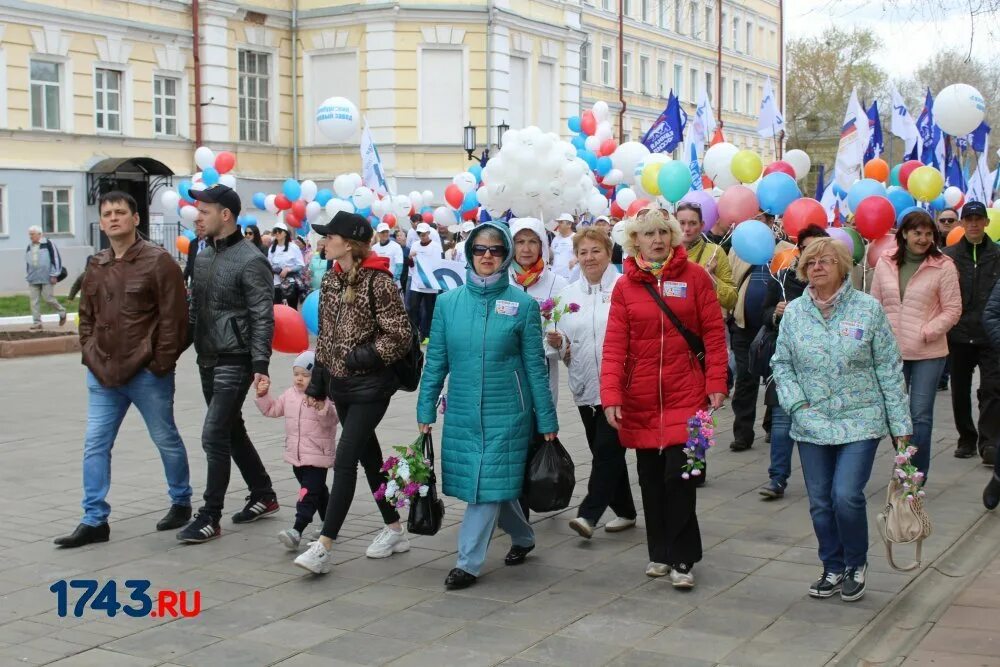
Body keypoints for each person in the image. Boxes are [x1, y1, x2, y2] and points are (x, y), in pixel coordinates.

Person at [416, 222, 559, 590]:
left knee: (485, 485)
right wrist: (425, 408)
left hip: (508, 413)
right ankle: (524, 537)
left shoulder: (523, 305)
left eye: (495, 250)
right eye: (480, 249)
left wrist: (546, 418)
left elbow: (534, 368)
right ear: (468, 253)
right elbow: (437, 361)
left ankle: (467, 562)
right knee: (494, 485)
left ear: (505, 255)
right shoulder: (448, 303)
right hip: (463, 410)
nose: (487, 256)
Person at [771, 237, 911, 602]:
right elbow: (781, 365)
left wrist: (901, 428)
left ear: (843, 266)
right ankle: (831, 566)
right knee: (820, 500)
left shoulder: (868, 310)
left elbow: (889, 368)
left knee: (845, 495)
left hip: (860, 418)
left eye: (826, 261)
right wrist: (797, 405)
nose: (818, 267)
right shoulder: (796, 313)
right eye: (811, 262)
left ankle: (855, 563)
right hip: (811, 420)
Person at [54, 191, 192, 548]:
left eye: (120, 212)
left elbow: (175, 320)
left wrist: (160, 363)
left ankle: (181, 500)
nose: (113, 218)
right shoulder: (96, 265)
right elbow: (86, 317)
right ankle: (94, 519)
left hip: (146, 373)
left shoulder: (159, 262)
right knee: (95, 444)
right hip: (102, 373)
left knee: (165, 438)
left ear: (135, 219)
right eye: (107, 213)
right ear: (101, 222)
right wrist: (89, 351)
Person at [601, 209, 728, 588]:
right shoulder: (625, 286)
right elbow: (614, 346)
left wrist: (716, 381)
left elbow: (713, 333)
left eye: (662, 232)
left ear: (673, 236)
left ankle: (683, 558)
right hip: (640, 398)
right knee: (651, 479)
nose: (656, 240)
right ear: (634, 241)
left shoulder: (696, 278)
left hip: (688, 396)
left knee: (682, 475)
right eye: (647, 234)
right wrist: (610, 394)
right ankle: (659, 552)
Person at [293, 211, 413, 575]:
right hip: (341, 385)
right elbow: (327, 338)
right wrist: (318, 382)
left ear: (348, 243)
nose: (323, 242)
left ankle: (324, 546)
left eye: (329, 237)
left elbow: (399, 335)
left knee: (344, 460)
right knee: (368, 457)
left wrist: (360, 357)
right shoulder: (332, 279)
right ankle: (394, 529)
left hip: (372, 387)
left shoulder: (380, 282)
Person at [178, 184, 278, 543]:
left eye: (204, 211)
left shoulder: (252, 260)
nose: (197, 216)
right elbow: (193, 311)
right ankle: (264, 494)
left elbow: (262, 317)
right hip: (206, 357)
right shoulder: (203, 256)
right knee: (231, 430)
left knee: (214, 433)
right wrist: (169, 352)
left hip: (234, 359)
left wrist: (260, 365)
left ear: (226, 215)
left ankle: (209, 516)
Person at [545, 228, 637, 539]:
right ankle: (625, 510)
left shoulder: (627, 287)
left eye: (595, 250)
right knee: (604, 452)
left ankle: (589, 513)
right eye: (583, 252)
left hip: (621, 387)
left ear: (609, 252)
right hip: (584, 386)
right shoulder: (567, 296)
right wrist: (558, 343)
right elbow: (557, 346)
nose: (589, 258)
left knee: (606, 449)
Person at [871, 210, 961, 479]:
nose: (922, 239)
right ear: (904, 234)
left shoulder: (943, 265)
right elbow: (874, 304)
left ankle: (916, 474)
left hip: (927, 352)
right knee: (894, 413)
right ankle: (903, 462)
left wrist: (928, 331)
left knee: (920, 415)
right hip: (891, 351)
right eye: (917, 233)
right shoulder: (885, 262)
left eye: (928, 233)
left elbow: (953, 309)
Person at [757, 225, 829, 499]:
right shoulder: (782, 278)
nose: (815, 258)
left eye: (821, 250)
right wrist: (775, 313)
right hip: (786, 360)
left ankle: (824, 480)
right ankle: (777, 479)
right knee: (781, 421)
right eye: (808, 249)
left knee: (821, 422)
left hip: (823, 365)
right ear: (798, 251)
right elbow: (762, 314)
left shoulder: (838, 282)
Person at [254, 350, 338, 550]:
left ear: (317, 376)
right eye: (296, 374)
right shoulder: (290, 395)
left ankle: (297, 530)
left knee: (307, 494)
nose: (300, 379)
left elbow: (332, 420)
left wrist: (321, 406)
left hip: (317, 456)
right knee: (318, 492)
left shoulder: (324, 397)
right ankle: (329, 525)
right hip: (296, 457)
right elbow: (272, 410)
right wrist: (263, 395)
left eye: (306, 375)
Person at [942, 201, 1000, 463]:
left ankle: (989, 442)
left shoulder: (998, 254)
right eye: (969, 219)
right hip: (959, 333)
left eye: (979, 219)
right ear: (962, 223)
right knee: (960, 390)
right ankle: (966, 437)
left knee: (992, 388)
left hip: (990, 335)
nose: (974, 223)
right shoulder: (949, 256)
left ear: (987, 222)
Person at [727, 229, 794, 451]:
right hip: (743, 327)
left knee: (776, 377)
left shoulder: (787, 251)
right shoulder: (739, 249)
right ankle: (742, 433)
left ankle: (772, 425)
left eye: (765, 219)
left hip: (775, 329)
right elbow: (730, 282)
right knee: (745, 379)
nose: (761, 224)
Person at [511, 218, 570, 405]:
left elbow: (566, 335)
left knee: (542, 427)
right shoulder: (501, 281)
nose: (526, 249)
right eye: (520, 242)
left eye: (532, 242)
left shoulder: (558, 284)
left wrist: (559, 342)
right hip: (505, 372)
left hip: (543, 371)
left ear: (542, 246)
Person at [676, 202, 737, 312]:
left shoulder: (715, 251)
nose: (686, 228)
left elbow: (731, 300)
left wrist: (710, 277)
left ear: (702, 225)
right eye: (682, 223)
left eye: (693, 223)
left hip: (706, 323)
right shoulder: (666, 252)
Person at [406, 223, 444, 342]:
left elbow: (440, 264)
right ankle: (414, 333)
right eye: (419, 233)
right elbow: (410, 265)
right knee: (412, 308)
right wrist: (410, 258)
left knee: (429, 310)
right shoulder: (415, 245)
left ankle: (426, 335)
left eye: (424, 233)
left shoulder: (437, 246)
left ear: (428, 233)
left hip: (430, 284)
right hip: (417, 283)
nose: (422, 236)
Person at [24, 225, 67, 330]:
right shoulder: (29, 246)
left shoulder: (48, 243)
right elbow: (28, 263)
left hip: (47, 277)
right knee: (34, 301)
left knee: (48, 298)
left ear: (39, 234)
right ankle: (37, 323)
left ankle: (62, 312)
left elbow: (56, 259)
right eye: (29, 234)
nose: (30, 236)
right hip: (33, 278)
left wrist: (54, 274)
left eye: (32, 234)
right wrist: (28, 274)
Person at [268, 222, 306, 310]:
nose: (277, 233)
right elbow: (269, 265)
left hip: (290, 285)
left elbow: (300, 265)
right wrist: (275, 270)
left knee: (291, 309)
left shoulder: (293, 247)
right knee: (277, 310)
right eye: (275, 231)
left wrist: (288, 269)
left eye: (279, 231)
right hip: (276, 284)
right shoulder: (271, 248)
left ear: (285, 233)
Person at [550, 213, 577, 280]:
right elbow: (552, 255)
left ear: (569, 224)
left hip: (570, 277)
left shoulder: (576, 237)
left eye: (561, 222)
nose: (558, 225)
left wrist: (576, 259)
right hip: (555, 277)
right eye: (558, 222)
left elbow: (583, 254)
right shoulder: (555, 239)